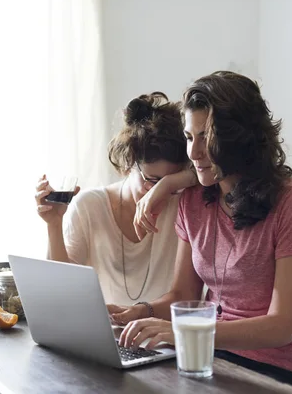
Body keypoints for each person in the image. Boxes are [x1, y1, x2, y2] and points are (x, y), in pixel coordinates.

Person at [112, 72, 292, 394]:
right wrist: (138, 314)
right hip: (210, 361)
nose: (194, 153)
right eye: (189, 137)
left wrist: (185, 330)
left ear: (239, 139)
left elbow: (282, 327)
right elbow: (184, 295)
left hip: (281, 375)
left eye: (206, 138)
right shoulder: (194, 200)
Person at [34, 92, 198, 306]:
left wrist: (171, 185)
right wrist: (54, 225)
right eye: (152, 180)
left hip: (166, 335)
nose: (159, 193)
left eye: (172, 181)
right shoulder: (90, 206)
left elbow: (217, 172)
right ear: (130, 163)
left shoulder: (184, 204)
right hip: (107, 335)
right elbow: (61, 291)